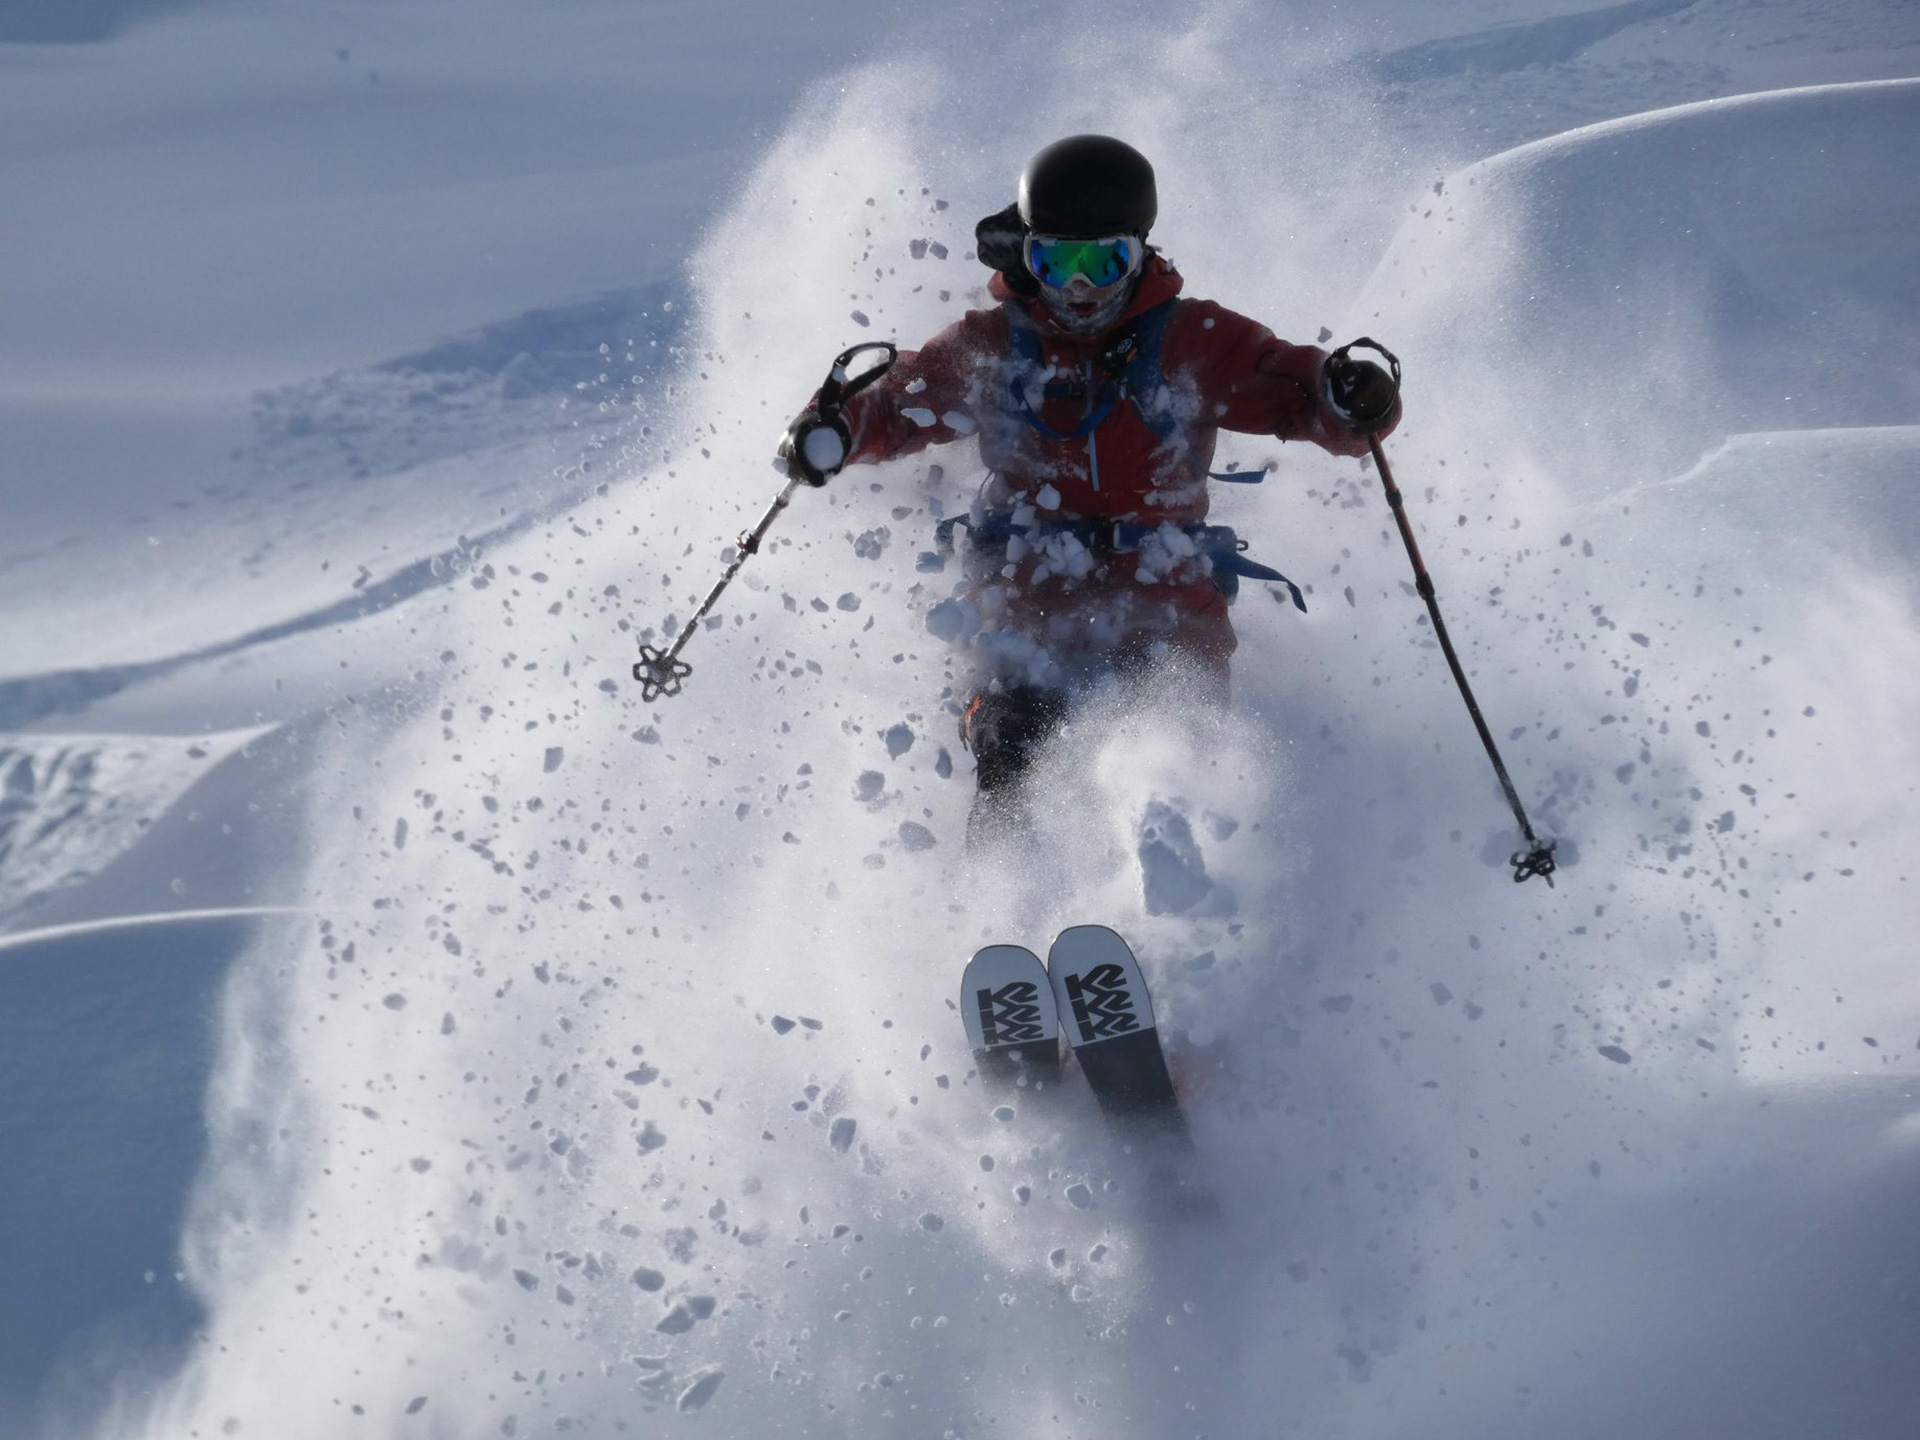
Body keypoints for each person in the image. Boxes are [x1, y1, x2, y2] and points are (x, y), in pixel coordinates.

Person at [778, 134, 1400, 839]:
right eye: (1055, 262)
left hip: (1163, 596)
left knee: (1169, 738)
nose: (1079, 289)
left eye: (1104, 263)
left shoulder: (1193, 341)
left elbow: (1298, 394)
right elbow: (900, 404)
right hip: (1027, 595)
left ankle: (1167, 908)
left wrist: (1349, 400)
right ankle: (1000, 903)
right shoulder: (997, 344)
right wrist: (836, 430)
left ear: (1140, 254)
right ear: (1026, 254)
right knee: (1011, 742)